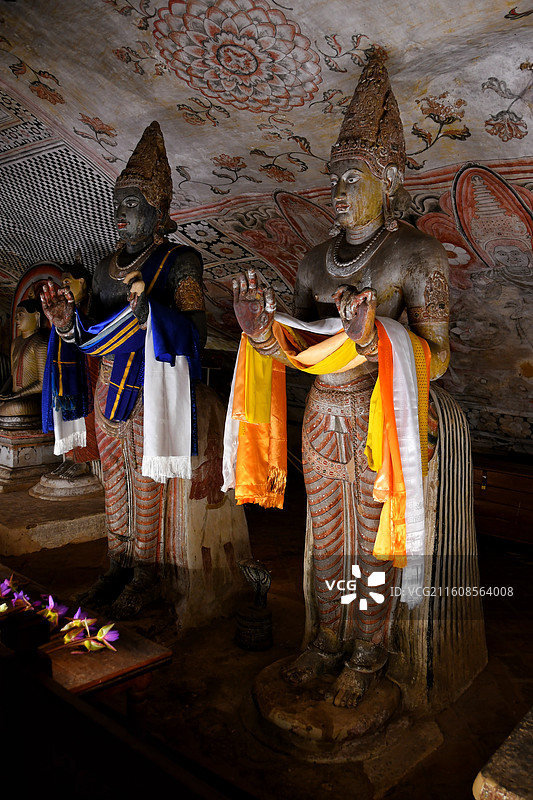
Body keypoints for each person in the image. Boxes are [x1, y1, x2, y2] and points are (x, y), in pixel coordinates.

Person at [231, 56, 451, 708]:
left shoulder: (416, 255)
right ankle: (322, 640)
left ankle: (365, 651)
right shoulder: (310, 260)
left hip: (384, 420)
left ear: (386, 182)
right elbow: (300, 343)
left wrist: (373, 340)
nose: (337, 190)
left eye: (352, 177)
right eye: (333, 178)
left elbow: (437, 358)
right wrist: (261, 334)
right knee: (323, 539)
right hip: (321, 417)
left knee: (371, 548)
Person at [41, 120, 206, 619]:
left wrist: (151, 316)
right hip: (108, 383)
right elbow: (91, 336)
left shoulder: (180, 262)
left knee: (146, 473)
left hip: (153, 382)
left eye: (133, 204)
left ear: (158, 214)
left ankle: (147, 570)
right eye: (118, 202)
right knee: (113, 473)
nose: (121, 213)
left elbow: (196, 333)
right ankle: (117, 562)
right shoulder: (102, 267)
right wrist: (66, 323)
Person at [0, 298, 49, 425]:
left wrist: (17, 396)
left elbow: (43, 384)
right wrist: (3, 393)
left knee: (15, 407)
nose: (16, 319)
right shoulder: (15, 343)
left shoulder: (40, 342)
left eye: (21, 315)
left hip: (31, 399)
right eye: (16, 316)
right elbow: (12, 375)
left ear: (36, 316)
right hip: (15, 396)